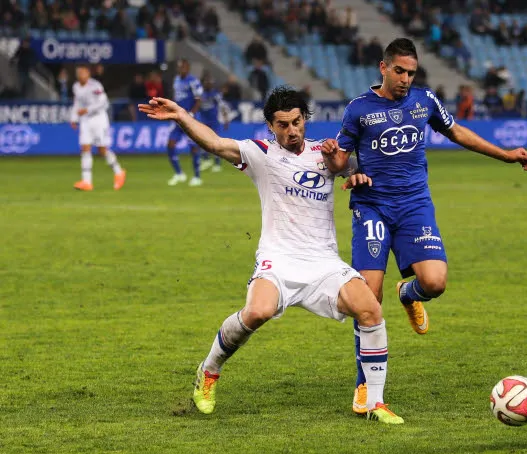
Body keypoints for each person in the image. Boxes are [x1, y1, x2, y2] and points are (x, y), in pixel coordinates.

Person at [138, 87, 404, 424]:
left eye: (296, 122)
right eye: (282, 125)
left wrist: (354, 173)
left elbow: (361, 167)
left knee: (370, 310)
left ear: (304, 119)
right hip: (278, 258)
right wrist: (181, 116)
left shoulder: (325, 153)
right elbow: (215, 143)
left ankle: (374, 403)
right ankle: (208, 371)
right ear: (270, 127)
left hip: (323, 262)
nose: (292, 131)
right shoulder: (259, 153)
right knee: (258, 312)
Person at [321, 38, 527, 415]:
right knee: (368, 297)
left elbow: (457, 132)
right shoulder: (359, 110)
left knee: (435, 282)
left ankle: (410, 294)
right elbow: (342, 160)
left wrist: (505, 155)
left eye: (411, 72)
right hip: (372, 207)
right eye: (399, 71)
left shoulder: (424, 101)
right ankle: (365, 386)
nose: (405, 78)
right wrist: (348, 171)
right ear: (382, 68)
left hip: (415, 205)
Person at [70, 64, 126, 192]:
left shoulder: (95, 86)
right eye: (78, 73)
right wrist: (73, 118)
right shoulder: (76, 87)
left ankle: (118, 171)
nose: (80, 75)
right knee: (85, 148)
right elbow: (77, 103)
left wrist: (87, 109)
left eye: (83, 73)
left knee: (102, 150)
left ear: (88, 74)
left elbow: (103, 102)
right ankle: (86, 181)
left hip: (98, 119)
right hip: (85, 120)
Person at [166, 59, 203, 186]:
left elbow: (198, 100)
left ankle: (197, 176)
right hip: (177, 117)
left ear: (188, 68)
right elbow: (176, 98)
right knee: (170, 144)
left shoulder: (193, 81)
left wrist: (192, 113)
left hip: (190, 119)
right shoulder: (176, 80)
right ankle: (179, 174)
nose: (181, 69)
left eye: (183, 67)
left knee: (193, 147)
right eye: (179, 67)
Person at [198, 74, 231, 173]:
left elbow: (222, 107)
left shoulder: (215, 95)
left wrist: (226, 120)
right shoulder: (200, 94)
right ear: (203, 84)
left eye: (210, 83)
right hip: (203, 121)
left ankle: (217, 164)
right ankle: (206, 159)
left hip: (213, 122)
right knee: (202, 141)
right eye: (206, 83)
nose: (208, 85)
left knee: (216, 143)